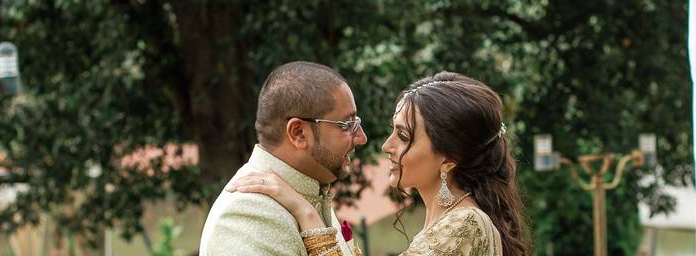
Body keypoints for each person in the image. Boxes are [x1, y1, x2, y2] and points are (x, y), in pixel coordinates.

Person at [230, 71, 530, 256]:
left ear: (449, 160)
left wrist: (306, 214)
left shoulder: (463, 224)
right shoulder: (450, 221)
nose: (386, 145)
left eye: (403, 135)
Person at [198, 61, 368, 256]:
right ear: (299, 133)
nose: (362, 137)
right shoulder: (247, 214)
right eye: (347, 124)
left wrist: (308, 213)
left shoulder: (309, 196)